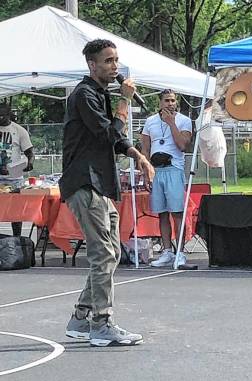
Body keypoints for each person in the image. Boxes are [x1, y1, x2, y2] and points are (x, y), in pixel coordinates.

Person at [59, 39, 154, 347]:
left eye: (116, 60)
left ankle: (81, 318)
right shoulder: (84, 94)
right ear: (92, 65)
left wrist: (137, 155)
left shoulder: (99, 94)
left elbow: (113, 139)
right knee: (103, 254)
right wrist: (125, 101)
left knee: (110, 252)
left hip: (100, 183)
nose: (115, 66)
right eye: (109, 61)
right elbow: (108, 133)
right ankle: (102, 323)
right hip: (85, 183)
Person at [141, 89, 192, 268]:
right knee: (162, 213)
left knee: (177, 212)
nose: (170, 104)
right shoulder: (150, 122)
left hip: (174, 169)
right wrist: (145, 171)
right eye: (167, 101)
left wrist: (171, 123)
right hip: (157, 170)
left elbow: (183, 145)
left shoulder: (184, 121)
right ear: (160, 102)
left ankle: (180, 252)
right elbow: (145, 149)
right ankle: (167, 250)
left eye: (173, 101)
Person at [0, 103, 34, 236]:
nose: (0, 118)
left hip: (13, 178)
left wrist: (29, 163)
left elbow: (30, 153)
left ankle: (17, 239)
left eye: (2, 116)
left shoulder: (19, 131)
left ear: (9, 115)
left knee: (15, 213)